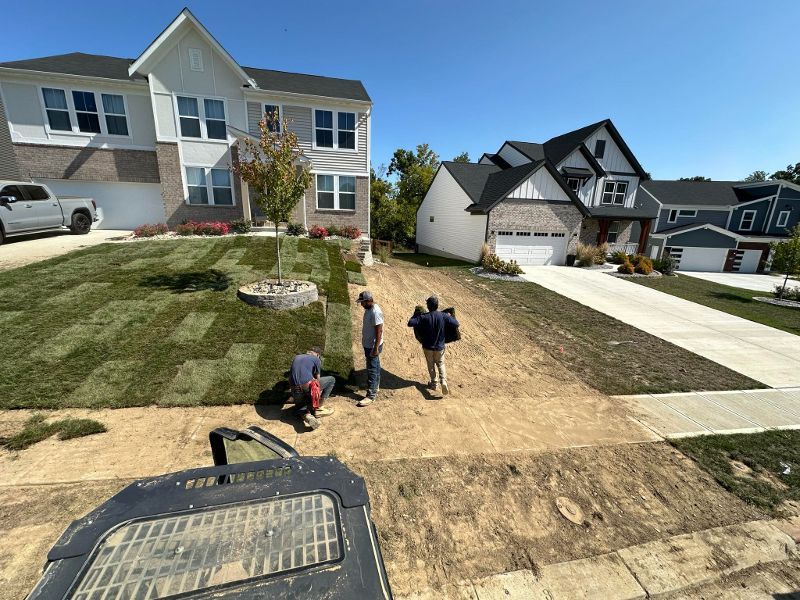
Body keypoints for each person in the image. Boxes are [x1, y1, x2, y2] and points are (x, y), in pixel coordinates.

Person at [407, 296, 459, 395]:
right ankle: (443, 381)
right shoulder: (443, 316)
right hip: (440, 347)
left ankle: (434, 383)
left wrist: (416, 314)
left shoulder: (423, 317)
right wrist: (450, 316)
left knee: (430, 365)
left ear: (428, 306)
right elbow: (456, 324)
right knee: (441, 363)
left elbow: (410, 323)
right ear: (437, 305)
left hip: (427, 347)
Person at [289, 346, 335, 430]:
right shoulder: (316, 359)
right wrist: (318, 392)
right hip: (307, 386)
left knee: (301, 406)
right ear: (317, 354)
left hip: (294, 389)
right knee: (331, 380)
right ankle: (318, 408)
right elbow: (317, 378)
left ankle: (307, 416)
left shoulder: (297, 357)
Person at [357, 290, 383, 407]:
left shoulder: (375, 312)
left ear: (369, 301)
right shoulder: (369, 309)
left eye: (363, 302)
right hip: (369, 344)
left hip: (373, 345)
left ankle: (371, 395)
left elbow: (379, 331)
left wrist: (375, 348)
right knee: (375, 366)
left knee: (372, 368)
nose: (361, 305)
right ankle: (375, 387)